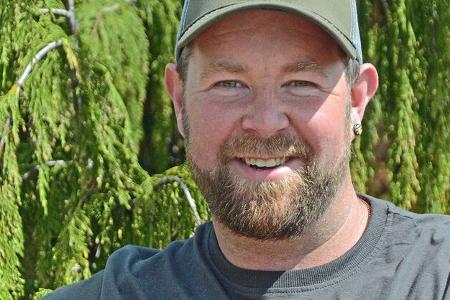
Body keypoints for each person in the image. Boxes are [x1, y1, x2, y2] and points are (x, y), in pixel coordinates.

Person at [45, 1, 450, 299]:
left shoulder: (435, 275)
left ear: (357, 99)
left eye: (301, 83)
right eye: (229, 84)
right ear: (180, 101)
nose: (265, 120)